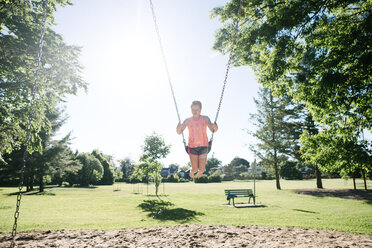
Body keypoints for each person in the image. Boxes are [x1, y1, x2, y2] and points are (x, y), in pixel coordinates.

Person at [176, 100, 218, 179]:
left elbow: (213, 130)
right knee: (195, 169)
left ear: (200, 110)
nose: (194, 111)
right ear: (190, 109)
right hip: (192, 147)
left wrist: (215, 127)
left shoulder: (205, 118)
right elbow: (179, 132)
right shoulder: (187, 120)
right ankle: (192, 171)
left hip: (204, 146)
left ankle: (199, 175)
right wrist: (178, 128)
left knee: (202, 169)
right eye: (193, 110)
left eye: (197, 110)